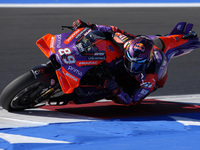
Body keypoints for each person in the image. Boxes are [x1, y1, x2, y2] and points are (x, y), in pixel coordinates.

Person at [72, 19, 197, 105]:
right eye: (131, 62)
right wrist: (90, 26)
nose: (133, 67)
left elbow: (131, 100)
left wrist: (115, 88)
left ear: (146, 62)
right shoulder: (126, 43)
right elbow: (112, 30)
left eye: (138, 64)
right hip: (142, 43)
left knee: (116, 96)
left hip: (143, 80)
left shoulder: (149, 78)